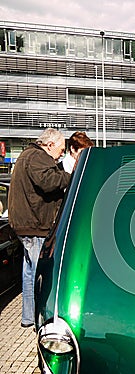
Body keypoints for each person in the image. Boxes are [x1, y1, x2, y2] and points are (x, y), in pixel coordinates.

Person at [8, 128, 72, 328]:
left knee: (29, 272)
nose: (61, 154)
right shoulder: (38, 156)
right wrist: (70, 175)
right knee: (39, 275)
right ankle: (41, 320)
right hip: (35, 224)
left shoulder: (28, 155)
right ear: (50, 144)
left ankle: (28, 317)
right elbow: (48, 182)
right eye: (61, 150)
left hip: (26, 224)